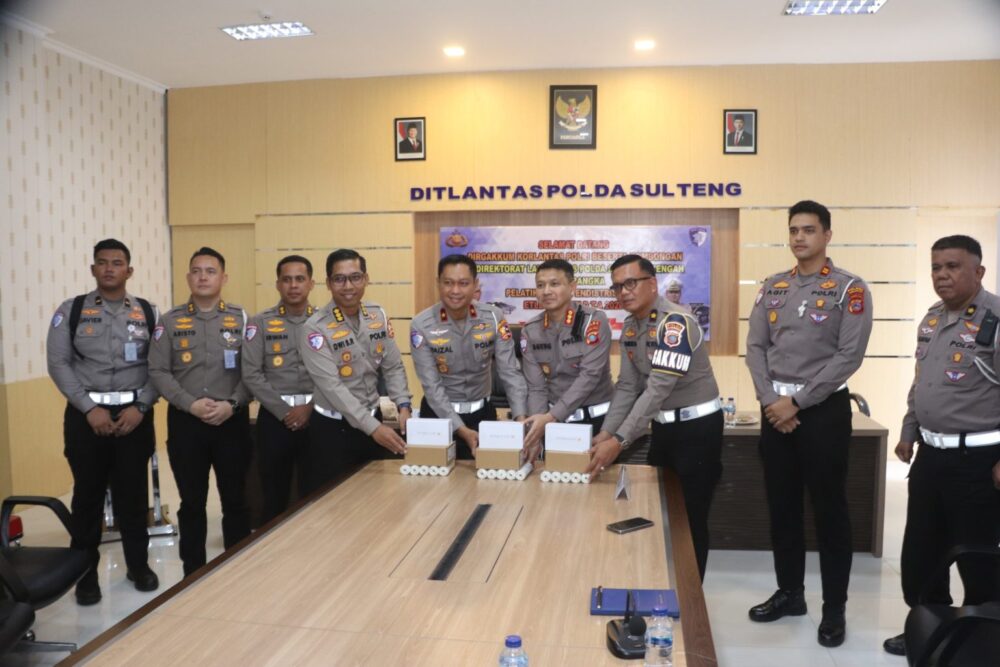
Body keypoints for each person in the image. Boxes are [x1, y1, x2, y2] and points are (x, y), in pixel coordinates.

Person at [744, 200, 873, 648]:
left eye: (809, 230)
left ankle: (834, 608)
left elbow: (849, 356)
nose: (799, 237)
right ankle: (790, 593)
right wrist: (770, 401)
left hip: (822, 412)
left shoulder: (849, 289)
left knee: (829, 511)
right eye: (794, 230)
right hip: (774, 411)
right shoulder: (773, 286)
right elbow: (755, 348)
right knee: (782, 507)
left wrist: (796, 402)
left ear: (827, 235)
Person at [882, 235, 1000, 657]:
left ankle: (982, 638)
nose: (942, 275)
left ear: (978, 271)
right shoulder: (932, 318)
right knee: (922, 552)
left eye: (952, 266)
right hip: (931, 457)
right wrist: (909, 429)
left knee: (975, 556)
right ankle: (928, 626)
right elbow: (922, 383)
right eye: (936, 267)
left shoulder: (995, 319)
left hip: (978, 461)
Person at [587, 254, 723, 580]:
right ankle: (664, 584)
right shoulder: (631, 327)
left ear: (652, 283)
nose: (623, 292)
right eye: (617, 287)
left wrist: (619, 441)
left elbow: (657, 389)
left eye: (630, 283)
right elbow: (627, 386)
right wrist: (606, 433)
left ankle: (691, 596)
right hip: (663, 430)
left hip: (696, 431)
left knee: (689, 520)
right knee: (661, 513)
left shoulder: (675, 323)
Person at [46, 239, 160, 604]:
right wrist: (88, 408)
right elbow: (58, 363)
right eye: (103, 262)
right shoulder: (72, 310)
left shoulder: (148, 312)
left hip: (133, 416)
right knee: (87, 499)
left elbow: (160, 366)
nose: (109, 268)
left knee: (133, 497)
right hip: (86, 418)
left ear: (129, 270)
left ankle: (138, 566)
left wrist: (141, 406)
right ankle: (85, 576)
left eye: (117, 262)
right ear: (93, 269)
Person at [148, 247, 251, 577]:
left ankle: (237, 568)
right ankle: (193, 573)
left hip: (231, 421)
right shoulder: (169, 321)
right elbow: (158, 370)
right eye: (196, 271)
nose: (203, 277)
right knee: (192, 503)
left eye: (210, 271)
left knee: (235, 500)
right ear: (188, 277)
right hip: (186, 423)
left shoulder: (242, 319)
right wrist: (189, 403)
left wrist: (232, 404)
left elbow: (253, 372)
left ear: (224, 278)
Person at [299, 249, 411, 494]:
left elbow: (392, 365)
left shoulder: (377, 315)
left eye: (355, 277)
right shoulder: (315, 328)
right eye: (339, 279)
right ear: (328, 283)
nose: (348, 286)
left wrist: (403, 404)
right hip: (334, 430)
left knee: (374, 499)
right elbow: (332, 387)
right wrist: (373, 427)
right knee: (335, 503)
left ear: (366, 279)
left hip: (373, 422)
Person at [410, 254, 528, 458]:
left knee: (490, 475)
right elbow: (431, 386)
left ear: (475, 285)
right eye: (448, 283)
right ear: (438, 283)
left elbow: (510, 372)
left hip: (483, 417)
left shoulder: (493, 318)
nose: (455, 291)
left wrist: (520, 418)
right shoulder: (421, 325)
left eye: (463, 283)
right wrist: (461, 430)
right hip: (438, 419)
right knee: (433, 478)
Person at [241, 255, 317, 522]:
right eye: (287, 279)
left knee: (316, 493)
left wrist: (309, 407)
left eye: (300, 279)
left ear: (311, 283)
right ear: (278, 284)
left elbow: (336, 374)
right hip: (275, 420)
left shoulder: (325, 322)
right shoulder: (259, 323)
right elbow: (251, 373)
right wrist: (285, 412)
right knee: (273, 495)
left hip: (317, 416)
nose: (293, 285)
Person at [521, 259, 614, 460]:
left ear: (572, 287)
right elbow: (536, 387)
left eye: (554, 284)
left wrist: (550, 417)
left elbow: (589, 376)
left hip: (596, 424)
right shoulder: (530, 331)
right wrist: (536, 430)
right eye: (540, 285)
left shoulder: (593, 322)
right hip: (553, 426)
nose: (546, 291)